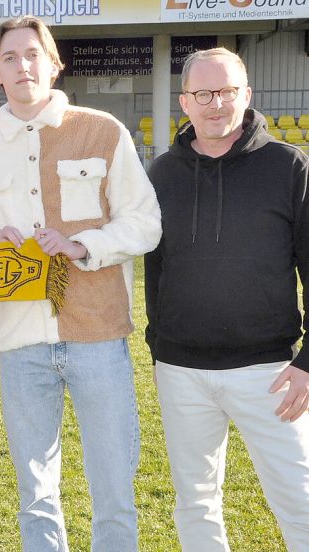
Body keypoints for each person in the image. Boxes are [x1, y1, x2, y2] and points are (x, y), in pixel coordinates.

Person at [0, 16, 161, 551]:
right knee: (34, 492)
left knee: (114, 485)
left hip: (98, 334)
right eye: (9, 58)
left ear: (54, 63)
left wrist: (83, 245)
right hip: (19, 341)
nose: (22, 66)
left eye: (32, 54)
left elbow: (145, 223)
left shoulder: (102, 130)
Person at [144, 47, 309, 551]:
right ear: (184, 101)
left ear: (247, 95)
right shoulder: (160, 173)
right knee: (195, 501)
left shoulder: (289, 166)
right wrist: (161, 346)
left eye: (226, 92)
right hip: (180, 371)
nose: (215, 104)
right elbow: (155, 269)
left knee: (300, 499)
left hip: (271, 371)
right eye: (202, 94)